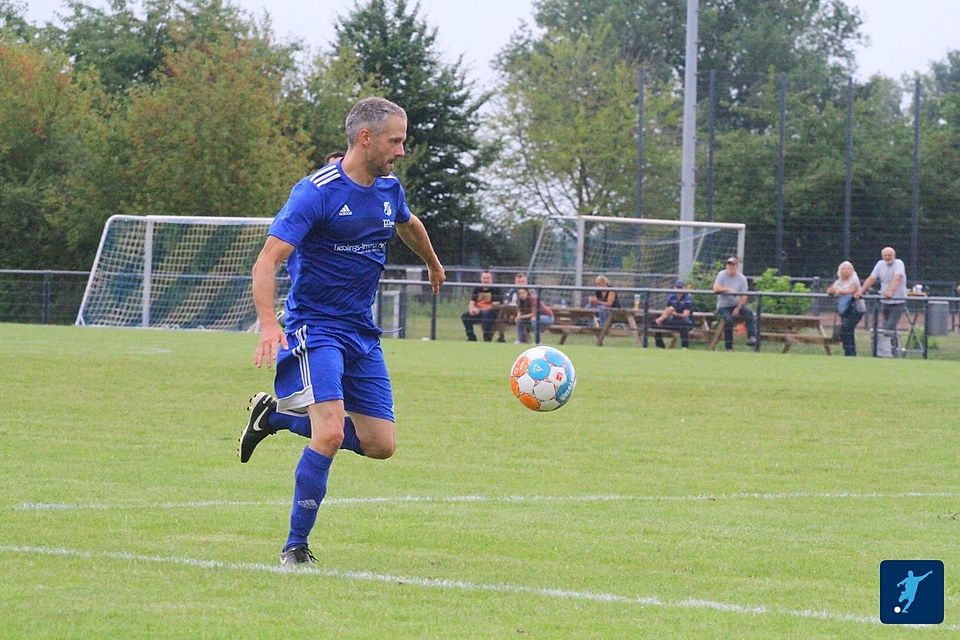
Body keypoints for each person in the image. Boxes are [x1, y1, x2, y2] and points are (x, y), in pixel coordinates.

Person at [238, 97, 445, 567]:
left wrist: (432, 261)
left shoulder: (389, 190)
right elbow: (268, 259)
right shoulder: (317, 192)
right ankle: (295, 547)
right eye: (396, 141)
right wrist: (270, 324)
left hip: (361, 332)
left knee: (381, 445)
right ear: (366, 138)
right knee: (329, 434)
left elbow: (408, 224)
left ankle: (274, 418)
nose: (402, 151)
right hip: (316, 327)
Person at [856, 246, 907, 354]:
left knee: (888, 327)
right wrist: (861, 291)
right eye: (885, 256)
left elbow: (897, 278)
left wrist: (891, 292)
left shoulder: (899, 263)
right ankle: (894, 351)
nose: (888, 258)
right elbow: (872, 278)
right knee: (887, 328)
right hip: (885, 301)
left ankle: (892, 350)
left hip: (898, 301)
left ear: (894, 256)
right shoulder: (880, 264)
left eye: (890, 255)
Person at [713, 257, 757, 350]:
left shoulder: (742, 278)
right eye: (728, 264)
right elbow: (716, 288)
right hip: (723, 306)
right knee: (728, 320)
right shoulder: (721, 274)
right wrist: (728, 289)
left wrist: (738, 308)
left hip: (737, 304)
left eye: (732, 265)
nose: (730, 266)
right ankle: (728, 347)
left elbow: (744, 296)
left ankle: (751, 337)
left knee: (749, 313)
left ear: (736, 266)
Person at [826, 261, 865, 356]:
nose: (845, 270)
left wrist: (838, 291)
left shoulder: (854, 278)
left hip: (855, 309)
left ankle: (850, 353)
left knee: (847, 328)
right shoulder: (840, 280)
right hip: (844, 310)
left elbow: (851, 290)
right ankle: (849, 352)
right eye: (843, 268)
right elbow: (831, 290)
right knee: (846, 331)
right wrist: (831, 291)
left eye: (848, 268)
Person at [461, 270, 501, 342]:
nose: (486, 280)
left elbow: (495, 305)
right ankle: (471, 337)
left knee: (486, 314)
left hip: (491, 313)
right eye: (484, 278)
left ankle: (487, 339)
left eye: (488, 278)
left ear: (491, 279)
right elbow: (472, 302)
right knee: (465, 316)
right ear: (481, 279)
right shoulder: (477, 289)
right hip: (478, 312)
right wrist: (472, 309)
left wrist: (481, 310)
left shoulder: (496, 289)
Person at [653, 280, 694, 348]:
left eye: (681, 288)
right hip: (674, 321)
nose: (679, 290)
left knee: (684, 325)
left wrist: (674, 313)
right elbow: (667, 310)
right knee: (657, 324)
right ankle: (660, 346)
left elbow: (685, 315)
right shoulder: (671, 297)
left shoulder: (687, 298)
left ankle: (684, 347)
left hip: (686, 321)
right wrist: (662, 318)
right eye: (677, 287)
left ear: (684, 288)